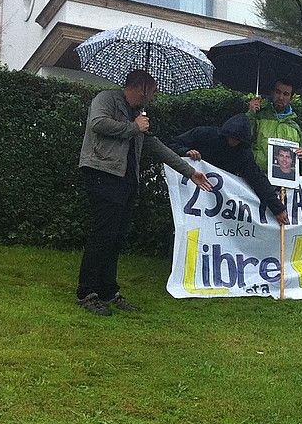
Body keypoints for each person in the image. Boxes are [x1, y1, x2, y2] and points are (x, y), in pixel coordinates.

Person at [76, 69, 212, 316]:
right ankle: (87, 292)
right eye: (153, 90)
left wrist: (190, 172)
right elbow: (97, 123)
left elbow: (153, 144)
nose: (154, 95)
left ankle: (108, 290)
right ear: (142, 88)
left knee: (116, 236)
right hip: (102, 173)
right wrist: (132, 127)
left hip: (126, 179)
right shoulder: (106, 99)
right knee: (103, 234)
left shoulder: (139, 115)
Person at [169, 114, 288, 225]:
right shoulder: (204, 134)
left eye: (237, 139)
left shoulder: (243, 153)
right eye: (231, 137)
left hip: (216, 204)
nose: (233, 141)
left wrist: (277, 208)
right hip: (193, 194)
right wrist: (185, 152)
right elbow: (171, 145)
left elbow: (257, 179)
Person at [248, 77, 302, 172]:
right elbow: (242, 139)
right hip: (255, 177)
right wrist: (250, 113)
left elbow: (298, 166)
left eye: (286, 94)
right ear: (272, 93)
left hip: (283, 183)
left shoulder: (295, 128)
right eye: (278, 92)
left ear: (291, 98)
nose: (281, 97)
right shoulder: (258, 117)